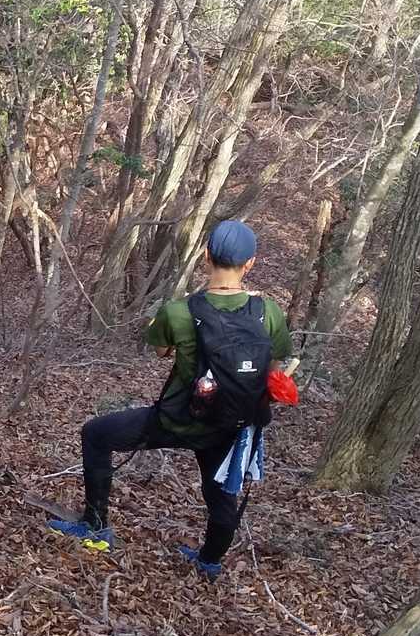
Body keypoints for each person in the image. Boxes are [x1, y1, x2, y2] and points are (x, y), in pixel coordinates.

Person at [46, 219, 294, 579]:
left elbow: (161, 350)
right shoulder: (267, 312)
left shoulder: (179, 311)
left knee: (96, 434)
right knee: (221, 496)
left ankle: (95, 526)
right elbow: (273, 368)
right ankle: (209, 562)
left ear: (206, 255)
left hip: (176, 420)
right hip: (228, 427)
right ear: (250, 263)